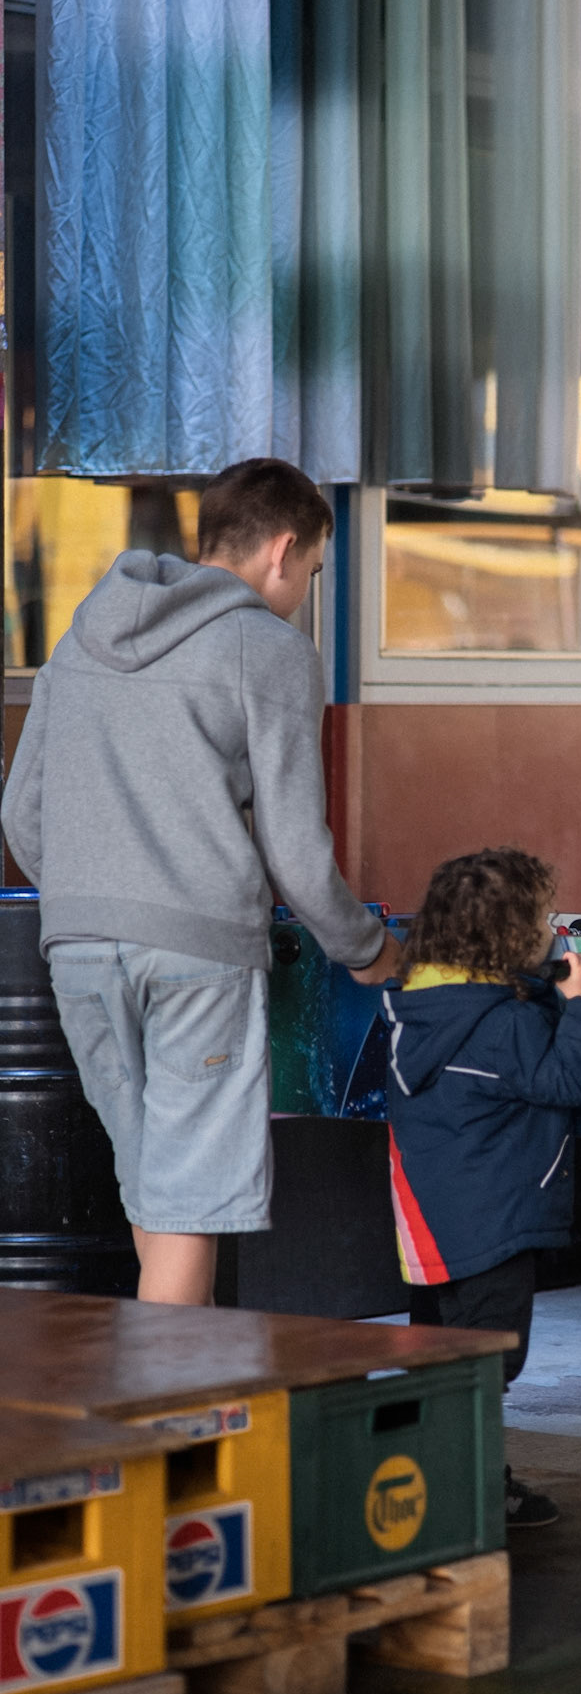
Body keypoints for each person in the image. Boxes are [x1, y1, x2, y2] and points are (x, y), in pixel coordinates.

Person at [0, 458, 403, 1308]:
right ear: (282, 550)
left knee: (154, 1185)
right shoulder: (271, 650)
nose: (305, 593)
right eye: (313, 573)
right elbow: (296, 851)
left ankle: (175, 1373)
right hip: (197, 957)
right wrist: (367, 949)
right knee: (189, 1201)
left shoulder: (83, 634)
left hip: (76, 950)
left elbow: (20, 811)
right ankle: (176, 1392)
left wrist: (91, 895)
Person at [384, 845, 581, 1529]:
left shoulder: (418, 1003)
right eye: (542, 918)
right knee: (487, 1361)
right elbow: (567, 1082)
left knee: (441, 1357)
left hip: (431, 1221)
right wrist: (580, 1006)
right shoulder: (506, 1024)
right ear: (509, 935)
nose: (552, 928)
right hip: (494, 1222)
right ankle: (473, 1492)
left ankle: (428, 1476)